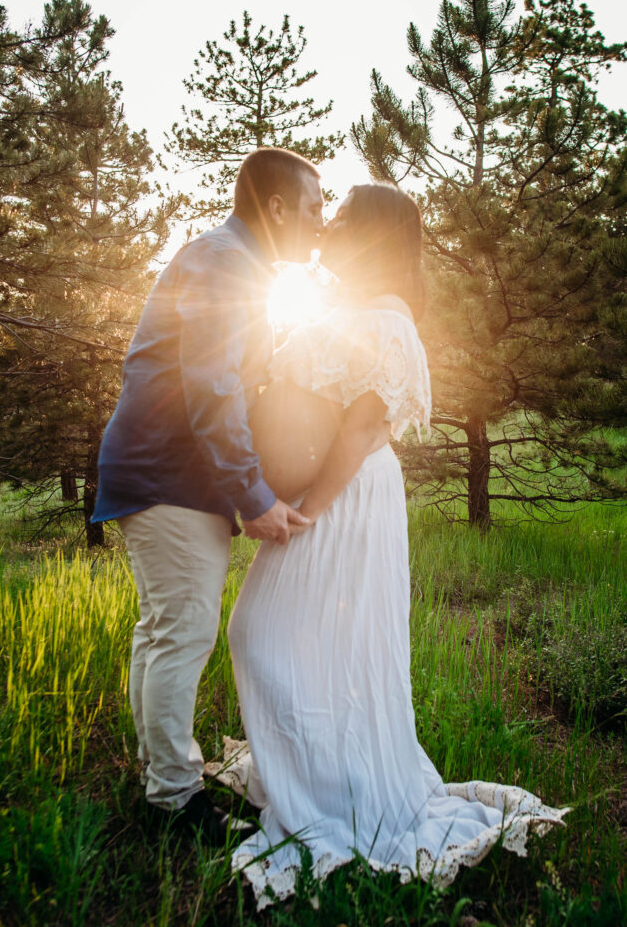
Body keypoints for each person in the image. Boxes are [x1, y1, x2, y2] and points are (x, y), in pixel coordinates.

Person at [218, 183, 568, 905]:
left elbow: (361, 429)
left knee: (266, 632)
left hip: (346, 497)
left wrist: (305, 510)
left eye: (344, 217)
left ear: (372, 235)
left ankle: (340, 793)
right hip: (331, 491)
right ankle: (315, 776)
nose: (329, 226)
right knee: (299, 640)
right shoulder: (349, 311)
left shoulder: (389, 323)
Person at [91, 147, 324, 843]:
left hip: (164, 475)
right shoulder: (227, 263)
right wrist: (253, 495)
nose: (321, 223)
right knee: (183, 633)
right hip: (168, 477)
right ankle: (174, 803)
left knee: (163, 630)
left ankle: (160, 777)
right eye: (313, 208)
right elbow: (214, 389)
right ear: (277, 207)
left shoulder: (233, 261)